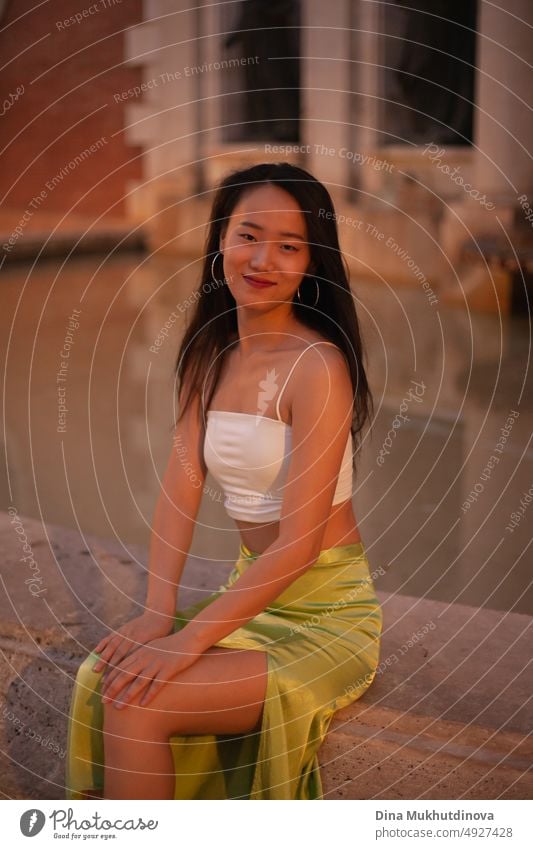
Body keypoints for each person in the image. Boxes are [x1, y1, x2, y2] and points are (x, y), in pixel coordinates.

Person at [65, 162, 383, 801]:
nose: (263, 258)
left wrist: (191, 638)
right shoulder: (209, 353)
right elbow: (180, 490)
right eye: (249, 234)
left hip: (328, 612)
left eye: (289, 245)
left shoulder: (317, 367)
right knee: (105, 675)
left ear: (312, 262)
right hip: (251, 591)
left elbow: (299, 542)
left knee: (139, 702)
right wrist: (159, 614)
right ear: (219, 240)